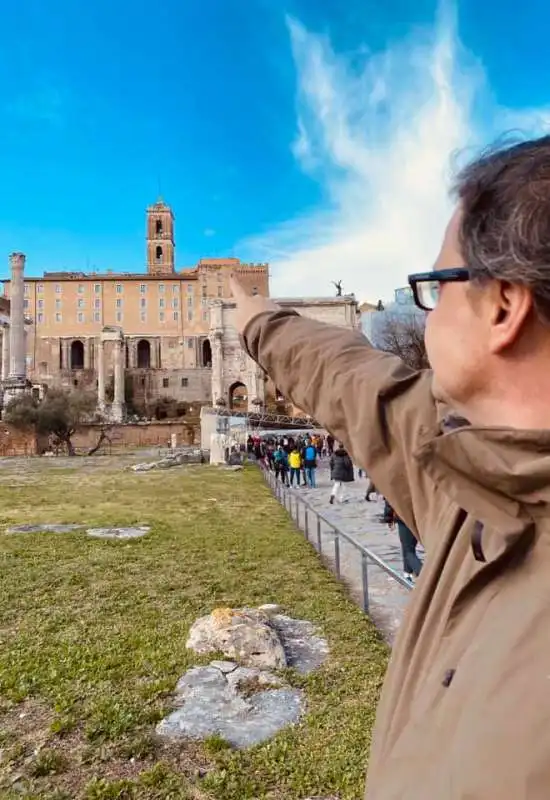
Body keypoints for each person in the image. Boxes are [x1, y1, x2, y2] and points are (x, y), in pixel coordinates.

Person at [229, 135, 550, 798]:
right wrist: (260, 321)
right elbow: (359, 383)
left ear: (503, 306)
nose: (426, 315)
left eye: (436, 285)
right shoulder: (476, 474)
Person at [384, 499, 423, 583]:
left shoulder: (396, 485)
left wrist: (388, 518)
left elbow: (390, 498)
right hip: (420, 516)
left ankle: (423, 575)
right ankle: (407, 574)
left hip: (404, 517)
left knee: (408, 550)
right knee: (409, 547)